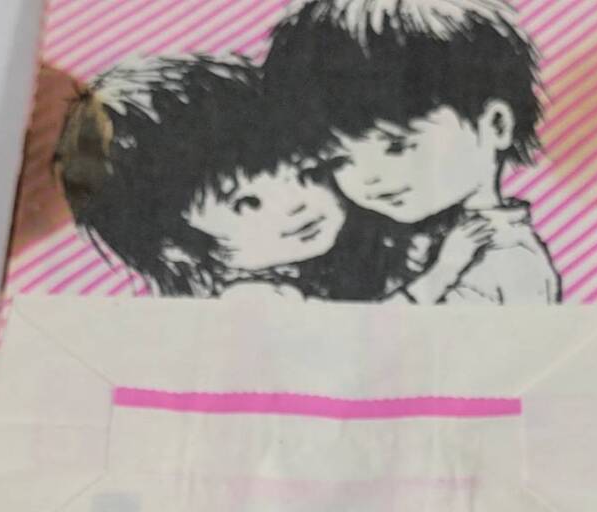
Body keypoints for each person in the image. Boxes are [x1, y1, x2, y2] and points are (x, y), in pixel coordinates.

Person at [264, 0, 562, 303]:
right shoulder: (388, 243)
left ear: (496, 125)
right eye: (338, 161)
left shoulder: (508, 261)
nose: (369, 178)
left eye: (397, 146)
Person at [53, 56, 347, 299]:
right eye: (248, 202)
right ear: (174, 245)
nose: (298, 204)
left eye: (308, 174)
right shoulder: (259, 299)